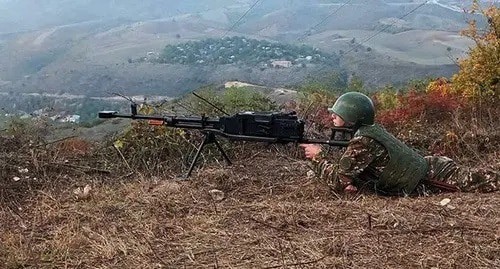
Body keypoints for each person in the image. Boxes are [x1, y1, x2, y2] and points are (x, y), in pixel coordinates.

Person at [300, 92, 498, 196]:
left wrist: (318, 157)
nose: (333, 116)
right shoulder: (369, 130)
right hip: (428, 168)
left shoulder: (363, 141)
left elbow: (337, 180)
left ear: (353, 116)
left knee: (488, 181)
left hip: (433, 176)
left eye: (338, 113)